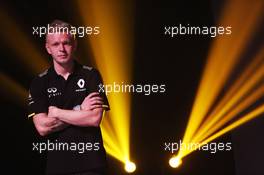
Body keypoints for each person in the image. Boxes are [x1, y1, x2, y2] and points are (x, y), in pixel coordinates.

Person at [28, 19, 110, 175]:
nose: (62, 49)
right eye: (56, 44)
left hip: (92, 166)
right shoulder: (39, 82)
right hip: (57, 167)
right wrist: (80, 110)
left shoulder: (91, 75)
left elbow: (93, 119)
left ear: (75, 45)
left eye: (66, 43)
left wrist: (57, 112)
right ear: (48, 48)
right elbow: (43, 127)